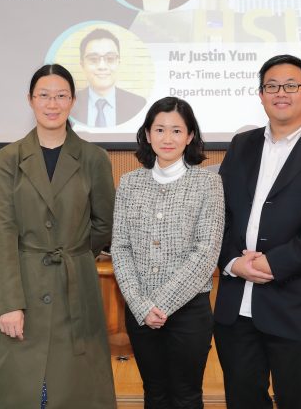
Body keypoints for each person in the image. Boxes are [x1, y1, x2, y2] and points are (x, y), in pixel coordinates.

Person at [0, 64, 116, 409]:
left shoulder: (94, 158)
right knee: (17, 387)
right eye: (44, 95)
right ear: (30, 100)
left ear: (73, 101)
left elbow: (104, 223)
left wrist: (74, 253)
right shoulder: (10, 157)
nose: (53, 103)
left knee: (74, 388)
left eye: (61, 95)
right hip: (22, 282)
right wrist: (9, 303)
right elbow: (3, 231)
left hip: (75, 284)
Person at [213, 54, 301, 409]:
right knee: (243, 400)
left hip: (292, 303)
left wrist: (273, 264)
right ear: (261, 95)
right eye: (271, 86)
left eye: (291, 85)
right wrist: (232, 262)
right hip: (235, 302)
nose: (281, 93)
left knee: (299, 400)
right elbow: (219, 215)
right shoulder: (242, 145)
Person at [112, 97, 224, 409]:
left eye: (176, 131)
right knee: (155, 394)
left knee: (186, 396)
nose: (167, 138)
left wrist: (160, 304)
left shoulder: (208, 183)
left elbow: (206, 253)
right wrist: (141, 304)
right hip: (140, 310)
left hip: (189, 312)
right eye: (159, 129)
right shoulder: (129, 183)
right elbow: (120, 248)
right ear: (147, 134)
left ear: (190, 137)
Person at [70, 27, 147, 128]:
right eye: (93, 59)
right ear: (82, 65)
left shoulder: (138, 104)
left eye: (110, 58)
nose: (102, 66)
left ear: (118, 63)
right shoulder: (69, 105)